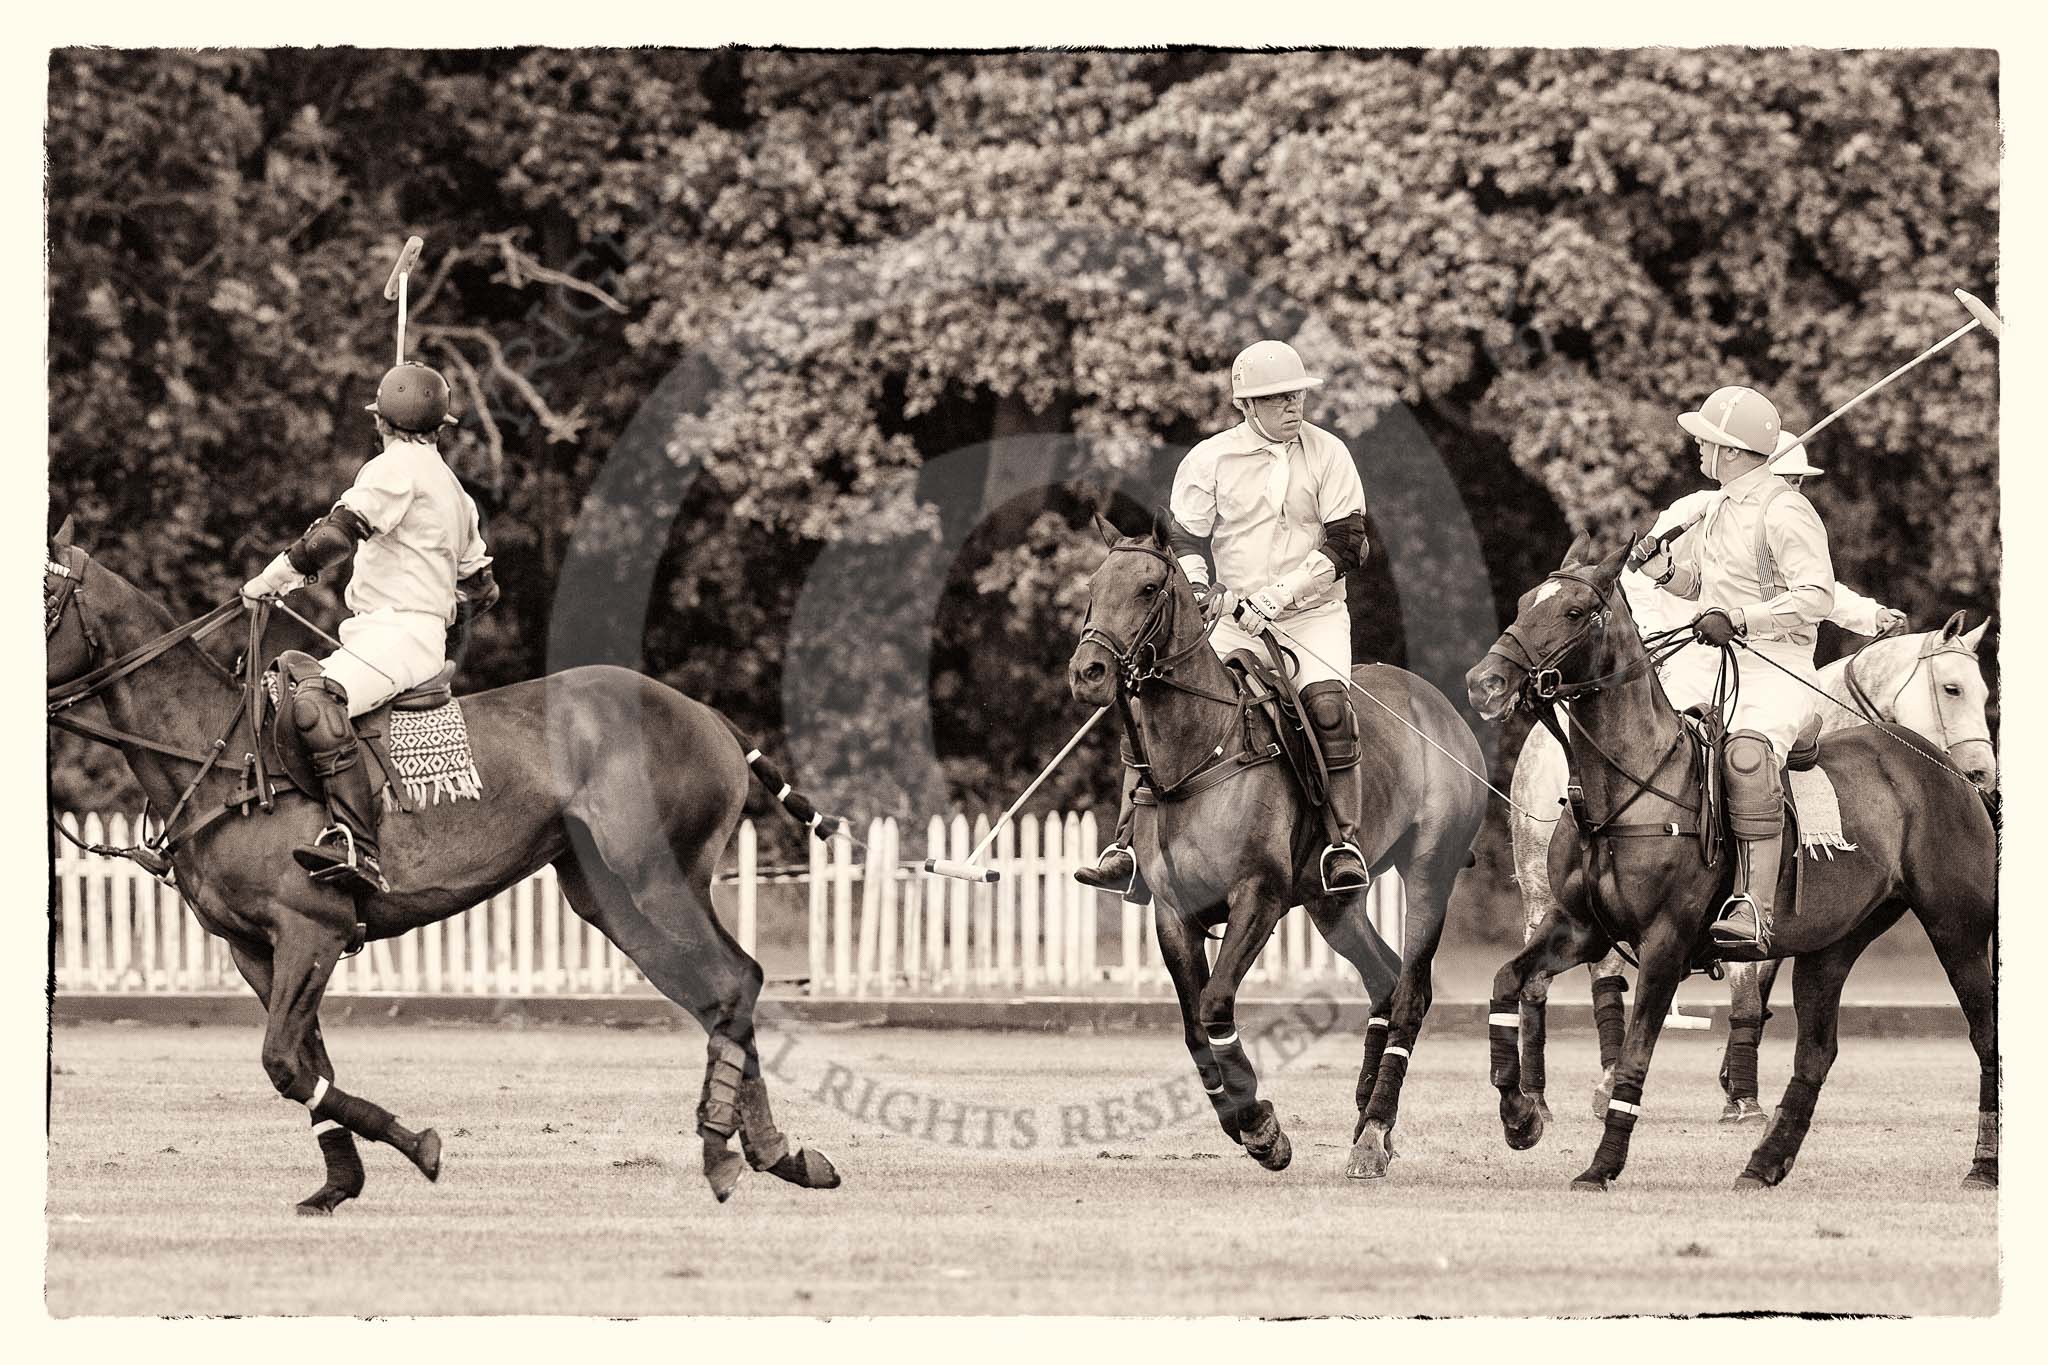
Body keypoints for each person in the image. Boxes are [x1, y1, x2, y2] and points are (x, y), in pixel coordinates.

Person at [1076, 339, 1371, 897]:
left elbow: (1348, 544)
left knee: (1327, 706)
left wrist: (1278, 598)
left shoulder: (1330, 453)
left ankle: (1341, 843)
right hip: (1230, 619)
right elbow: (1184, 536)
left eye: (1296, 395)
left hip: (1312, 617)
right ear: (1246, 406)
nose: (1292, 405)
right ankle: (1125, 847)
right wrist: (1200, 586)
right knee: (1150, 703)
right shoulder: (1209, 459)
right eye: (1276, 398)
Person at [241, 361, 499, 895]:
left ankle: (358, 847)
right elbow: (483, 590)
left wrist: (274, 578)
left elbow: (335, 538)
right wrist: (439, 614)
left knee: (313, 701)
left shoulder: (391, 469)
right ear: (439, 426)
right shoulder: (454, 489)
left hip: (396, 635)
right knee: (292, 681)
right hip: (409, 635)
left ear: (380, 421)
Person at [1631, 387, 1836, 949]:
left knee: (1745, 756)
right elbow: (1703, 589)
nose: (1699, 445)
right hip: (1713, 658)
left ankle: (1752, 905)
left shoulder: (1787, 509)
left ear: (1737, 452)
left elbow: (1817, 596)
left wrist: (1742, 619)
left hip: (1778, 664)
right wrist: (1661, 572)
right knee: (1651, 738)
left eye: (1710, 440)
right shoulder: (1716, 504)